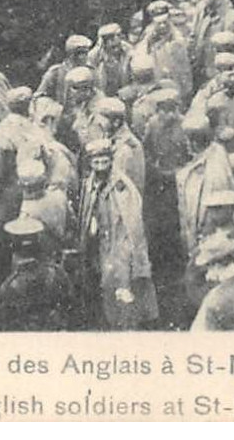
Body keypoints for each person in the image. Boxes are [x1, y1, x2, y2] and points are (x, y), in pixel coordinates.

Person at [76, 138, 158, 328]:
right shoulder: (89, 183)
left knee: (121, 297)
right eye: (96, 163)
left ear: (111, 161)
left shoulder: (121, 187)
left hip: (117, 250)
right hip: (96, 247)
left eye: (104, 162)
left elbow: (132, 227)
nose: (100, 167)